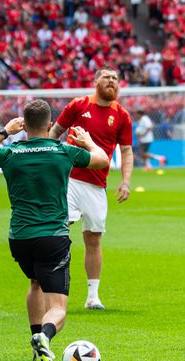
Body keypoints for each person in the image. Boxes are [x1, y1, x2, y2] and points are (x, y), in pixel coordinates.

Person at [0, 100, 109, 361]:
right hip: (52, 236)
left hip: (19, 237)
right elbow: (103, 161)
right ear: (49, 125)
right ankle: (44, 335)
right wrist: (87, 141)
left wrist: (3, 132)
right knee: (58, 307)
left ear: (23, 125)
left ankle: (38, 346)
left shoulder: (10, 152)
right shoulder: (62, 150)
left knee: (35, 283)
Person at [49, 67, 133, 310]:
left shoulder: (122, 115)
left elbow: (126, 152)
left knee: (93, 238)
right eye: (107, 77)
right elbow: (55, 133)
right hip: (68, 179)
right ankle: (52, 289)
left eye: (116, 79)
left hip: (97, 185)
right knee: (59, 233)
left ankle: (93, 297)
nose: (112, 82)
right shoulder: (79, 105)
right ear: (95, 81)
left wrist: (126, 181)